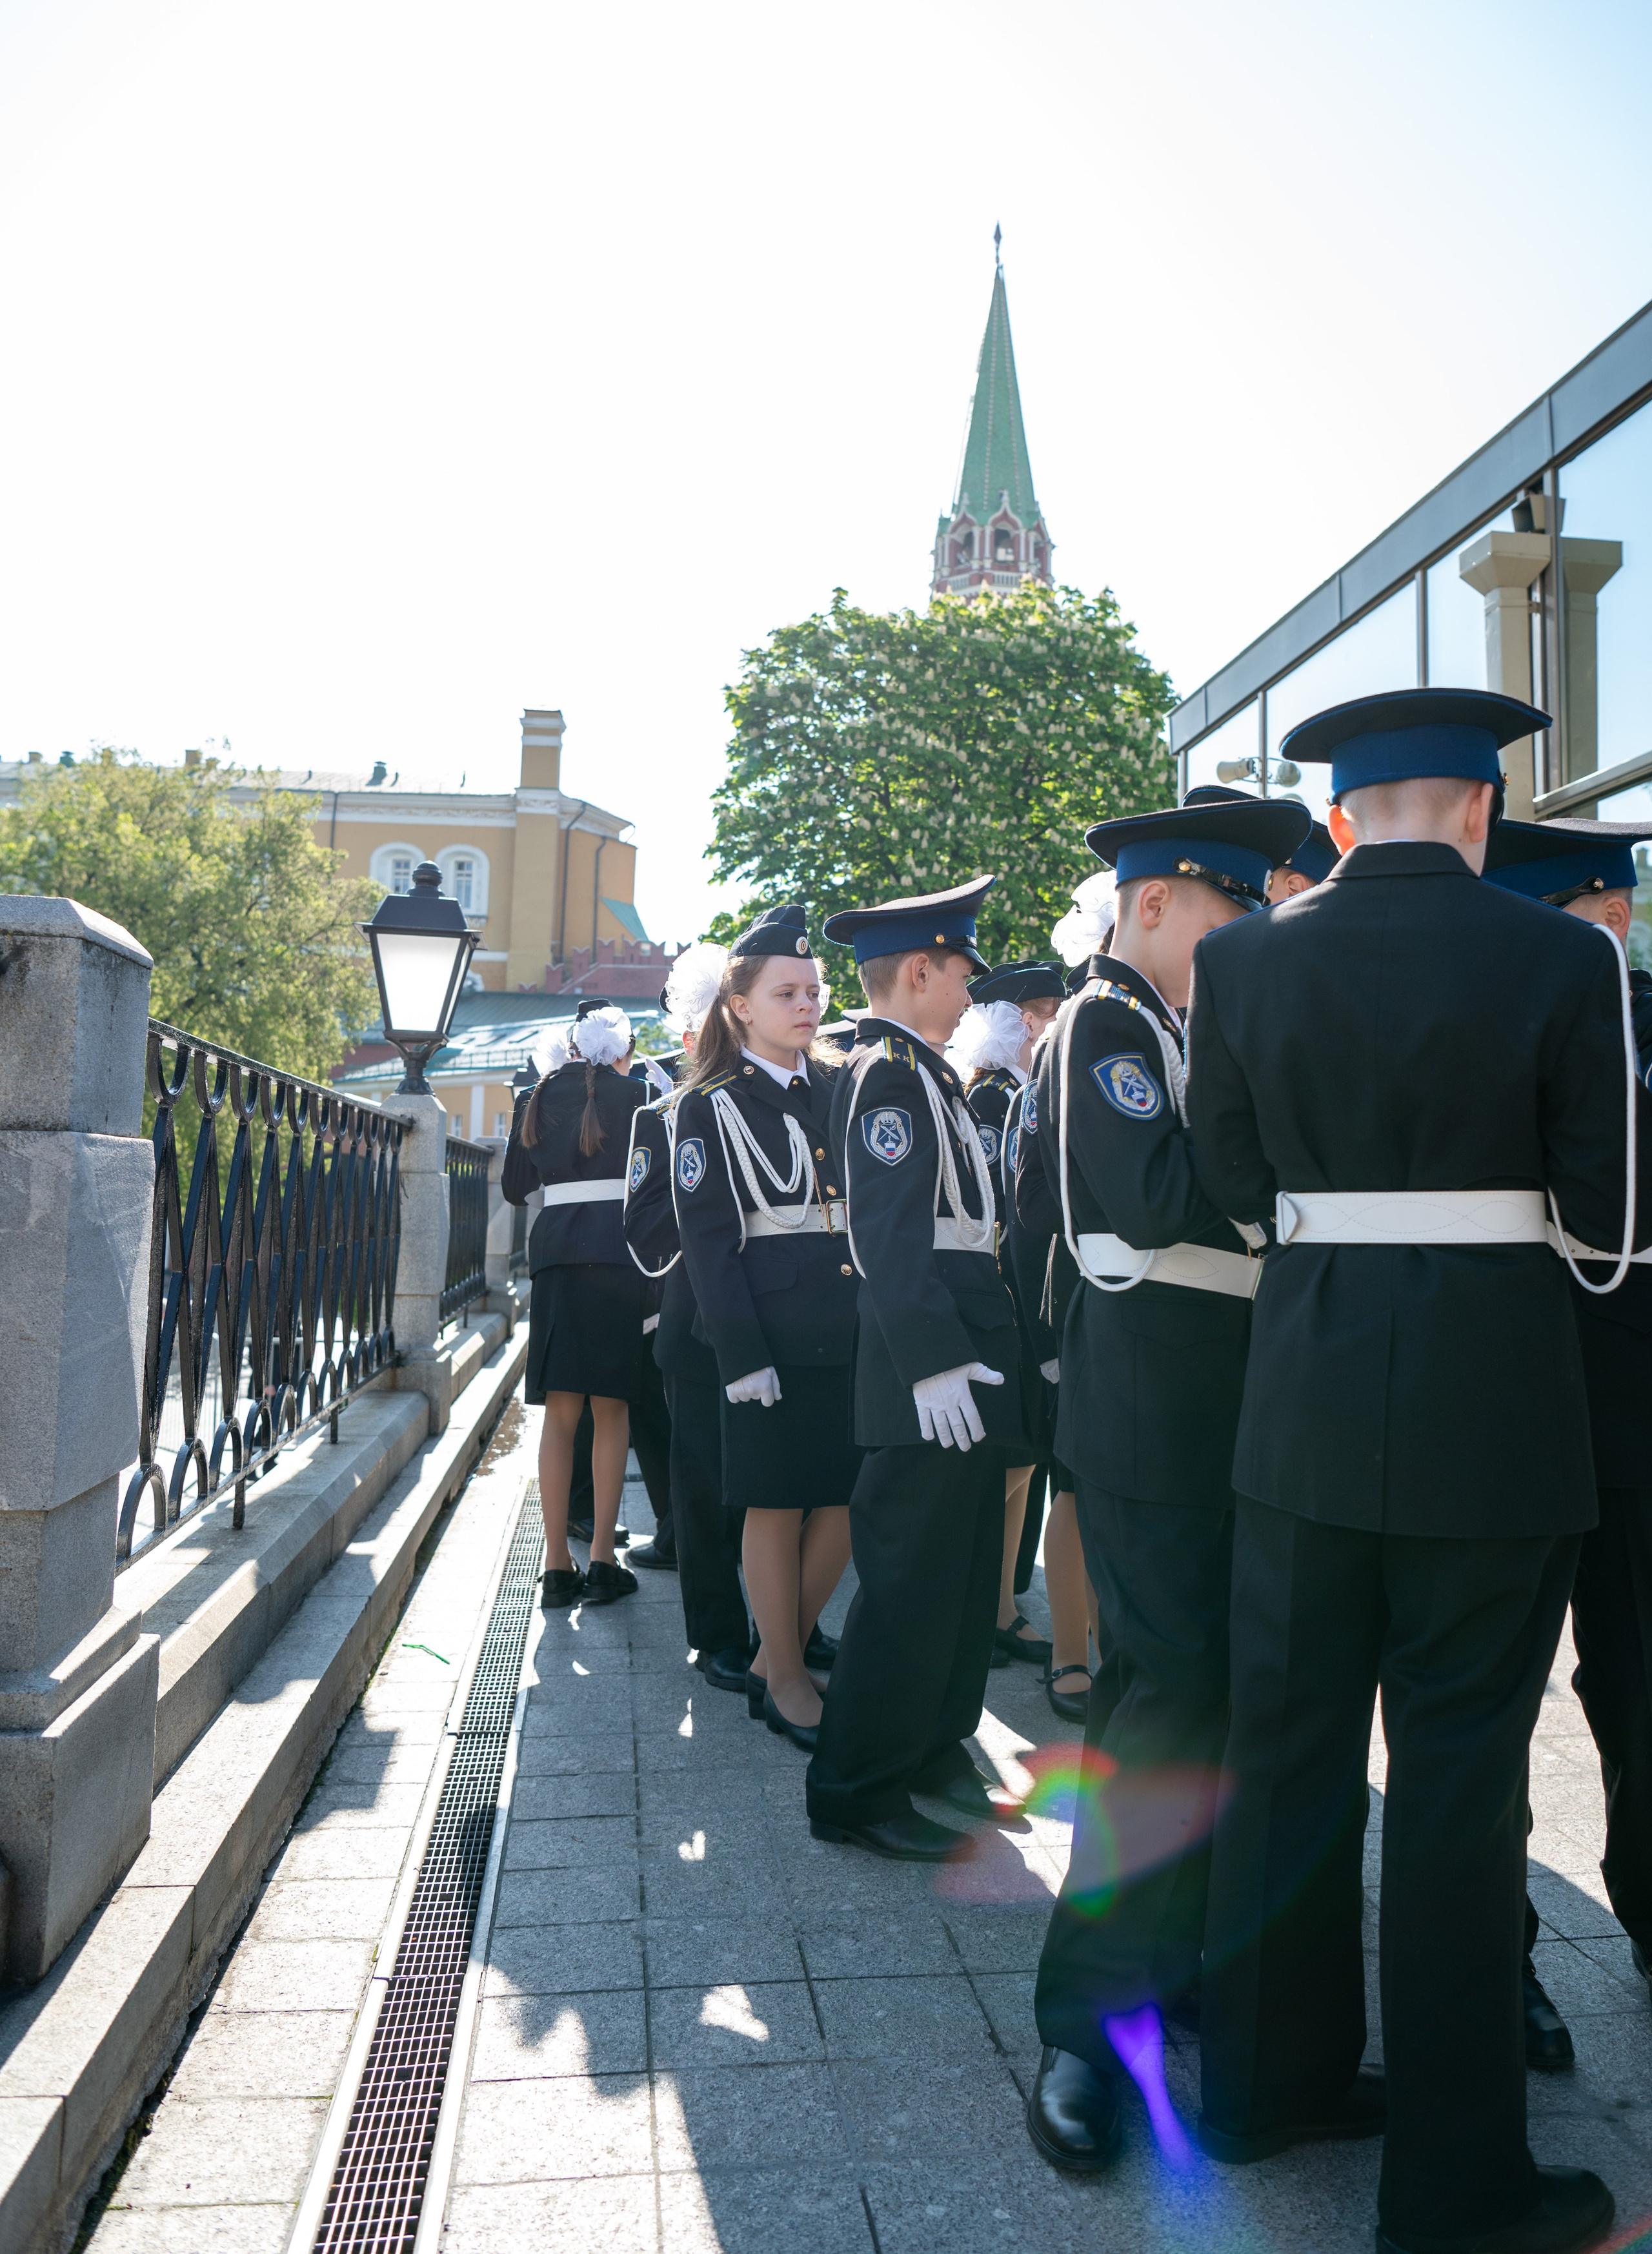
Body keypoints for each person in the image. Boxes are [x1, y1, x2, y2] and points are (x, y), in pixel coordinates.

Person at [1186, 688, 1636, 2254]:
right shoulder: (1565, 954)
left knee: (1285, 1750)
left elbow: (1226, 1178)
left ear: (1334, 818)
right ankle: (1454, 2187)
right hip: (1491, 1416)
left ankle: (1258, 2082)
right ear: (1475, 811)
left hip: (1300, 1396)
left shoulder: (1238, 958)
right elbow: (1607, 1210)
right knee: (1456, 1790)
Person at [1018, 791, 1309, 2176]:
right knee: (1160, 1699)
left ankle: (1172, 1958)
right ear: (1152, 907)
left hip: (1223, 1394)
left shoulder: (1190, 1028)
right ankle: (1082, 2022)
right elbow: (1142, 1194)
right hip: (1150, 1404)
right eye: (1229, 909)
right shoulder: (1106, 1025)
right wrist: (1271, 1181)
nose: (1249, 935)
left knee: (1215, 1704)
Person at [805, 877, 1029, 1860]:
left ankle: (936, 1748)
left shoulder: (923, 1073)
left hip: (962, 1351)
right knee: (906, 1586)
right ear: (923, 969)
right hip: (925, 1369)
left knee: (960, 1571)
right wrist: (934, 1363)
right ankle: (854, 1786)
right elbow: (890, 1238)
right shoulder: (889, 1076)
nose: (973, 989)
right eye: (963, 970)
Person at [1484, 816, 1652, 2030]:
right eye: (1585, 915)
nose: (1612, 931)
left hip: (1635, 1400)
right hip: (1506, 1390)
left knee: (1641, 1675)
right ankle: (1510, 1950)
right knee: (1488, 1697)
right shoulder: (1474, 1019)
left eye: (1616, 913)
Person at [672, 905, 860, 1749]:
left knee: (851, 1497)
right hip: (769, 1340)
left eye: (814, 992)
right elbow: (711, 1249)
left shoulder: (837, 1087)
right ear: (739, 1006)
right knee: (777, 1504)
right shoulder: (710, 1106)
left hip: (848, 1328)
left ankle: (775, 1652)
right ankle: (783, 1675)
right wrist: (742, 1355)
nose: (807, 1006)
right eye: (788, 993)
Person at [623, 946, 755, 1690]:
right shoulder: (662, 1116)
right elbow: (643, 1234)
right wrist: (716, 1233)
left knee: (777, 1486)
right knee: (705, 1490)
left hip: (774, 1319)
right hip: (698, 1323)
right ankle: (717, 1635)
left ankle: (786, 1627)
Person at [503, 1004, 646, 1610]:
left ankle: (555, 1564)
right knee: (612, 1412)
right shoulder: (637, 1093)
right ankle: (602, 1561)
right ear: (621, 1048)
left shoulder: (537, 1096)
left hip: (557, 1255)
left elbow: (515, 1187)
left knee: (560, 1415)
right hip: (618, 1258)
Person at [951, 964, 1069, 1672]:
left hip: (1023, 1301)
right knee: (1009, 1461)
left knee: (1023, 1460)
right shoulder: (995, 1097)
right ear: (1018, 1021)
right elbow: (1004, 1217)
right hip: (1008, 1301)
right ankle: (982, 1606)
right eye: (1045, 1009)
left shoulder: (1019, 1091)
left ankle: (1000, 1606)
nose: (1052, 1022)